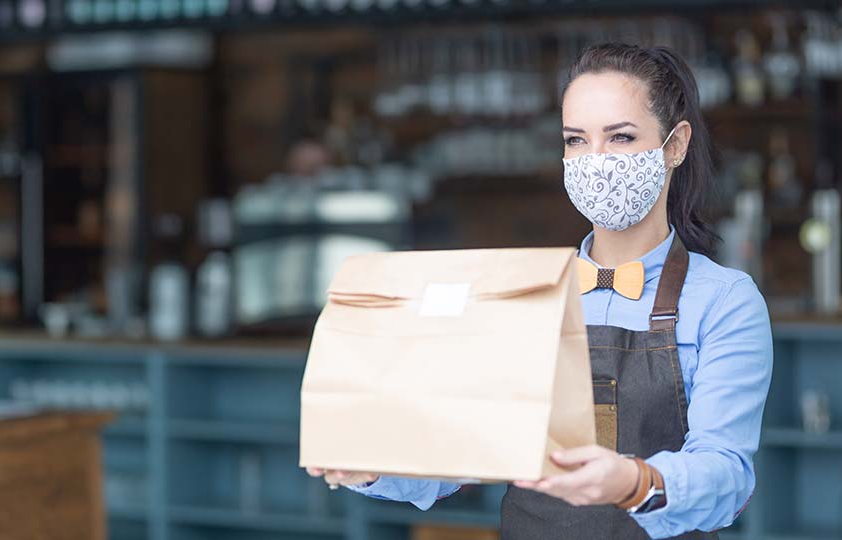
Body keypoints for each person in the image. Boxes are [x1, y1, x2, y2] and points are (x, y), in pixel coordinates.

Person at [306, 42, 773, 540]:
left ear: (674, 146)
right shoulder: (530, 290)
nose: (595, 160)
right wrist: (376, 469)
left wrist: (633, 481)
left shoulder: (724, 301)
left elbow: (727, 478)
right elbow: (468, 448)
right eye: (576, 140)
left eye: (620, 138)